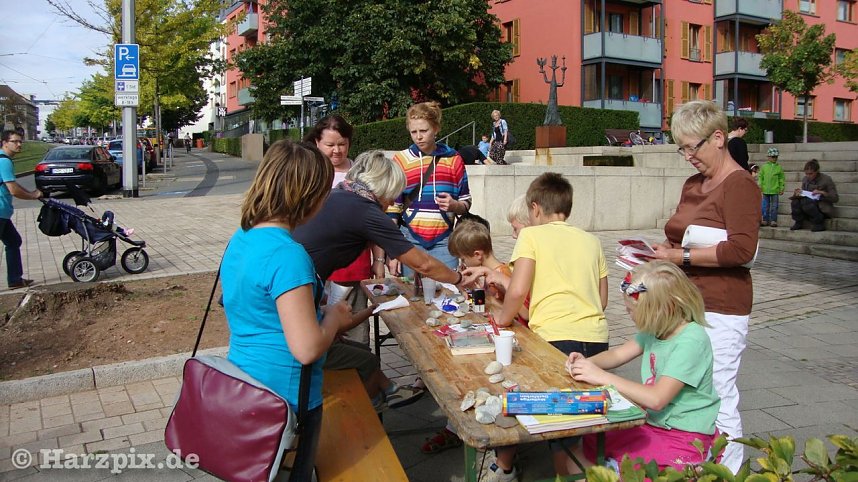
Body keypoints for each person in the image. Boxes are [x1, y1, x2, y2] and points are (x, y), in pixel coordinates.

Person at [462, 172, 609, 479]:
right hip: (596, 339)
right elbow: (603, 298)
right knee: (577, 420)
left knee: (559, 428)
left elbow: (517, 289)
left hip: (555, 339)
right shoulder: (592, 240)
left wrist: (502, 319)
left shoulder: (532, 236)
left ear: (536, 208)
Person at [220, 140, 351, 480]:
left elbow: (256, 306)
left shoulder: (242, 236)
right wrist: (334, 317)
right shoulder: (287, 254)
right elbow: (306, 348)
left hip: (243, 383)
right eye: (324, 191)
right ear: (306, 195)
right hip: (286, 398)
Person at [652, 100, 760, 473]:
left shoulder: (740, 184)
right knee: (688, 390)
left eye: (691, 147)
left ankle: (728, 471)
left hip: (721, 305)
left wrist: (680, 257)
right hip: (686, 302)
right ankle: (693, 464)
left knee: (717, 392)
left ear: (717, 138)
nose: (686, 156)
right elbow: (679, 235)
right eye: (680, 148)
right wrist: (660, 253)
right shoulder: (693, 183)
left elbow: (742, 249)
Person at [566, 261, 720, 470]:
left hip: (685, 435)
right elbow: (618, 354)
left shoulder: (691, 341)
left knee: (626, 468)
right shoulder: (658, 328)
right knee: (587, 444)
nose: (629, 316)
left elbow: (657, 399)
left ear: (663, 309)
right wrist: (586, 363)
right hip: (655, 424)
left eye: (632, 311)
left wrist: (601, 376)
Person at [303, 116, 380, 345]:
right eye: (330, 145)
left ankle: (360, 368)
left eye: (342, 144)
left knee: (354, 323)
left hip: (352, 265)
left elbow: (374, 219)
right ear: (317, 143)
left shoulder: (361, 174)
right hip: (313, 263)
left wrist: (379, 258)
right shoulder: (307, 172)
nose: (337, 150)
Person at [386, 101, 471, 278]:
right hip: (409, 241)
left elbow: (466, 202)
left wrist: (455, 205)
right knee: (413, 299)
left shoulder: (453, 159)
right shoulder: (401, 160)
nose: (419, 137)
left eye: (424, 131)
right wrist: (392, 253)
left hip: (445, 243)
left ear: (436, 128)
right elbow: (392, 211)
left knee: (449, 297)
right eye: (414, 132)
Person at [0, 130, 43, 290]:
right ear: (5, 142)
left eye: (20, 142)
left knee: (13, 241)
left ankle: (15, 280)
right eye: (15, 141)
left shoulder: (4, 160)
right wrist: (32, 196)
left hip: (3, 212)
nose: (19, 145)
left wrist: (32, 193)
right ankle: (14, 279)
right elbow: (14, 190)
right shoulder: (4, 161)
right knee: (13, 242)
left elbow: (14, 184)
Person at [790, 159, 839, 233]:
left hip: (821, 206)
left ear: (817, 171)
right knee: (795, 202)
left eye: (811, 174)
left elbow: (835, 198)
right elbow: (804, 193)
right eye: (806, 174)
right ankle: (798, 222)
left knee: (807, 202)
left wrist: (822, 192)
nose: (808, 176)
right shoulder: (805, 179)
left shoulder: (826, 179)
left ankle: (818, 223)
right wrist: (798, 193)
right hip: (807, 205)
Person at [758, 147, 785, 227]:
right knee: (765, 206)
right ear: (768, 157)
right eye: (773, 157)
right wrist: (760, 185)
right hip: (765, 189)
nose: (775, 158)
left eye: (776, 157)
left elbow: (781, 178)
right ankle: (765, 219)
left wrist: (781, 188)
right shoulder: (764, 167)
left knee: (774, 206)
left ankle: (773, 220)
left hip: (775, 190)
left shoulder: (779, 167)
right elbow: (761, 176)